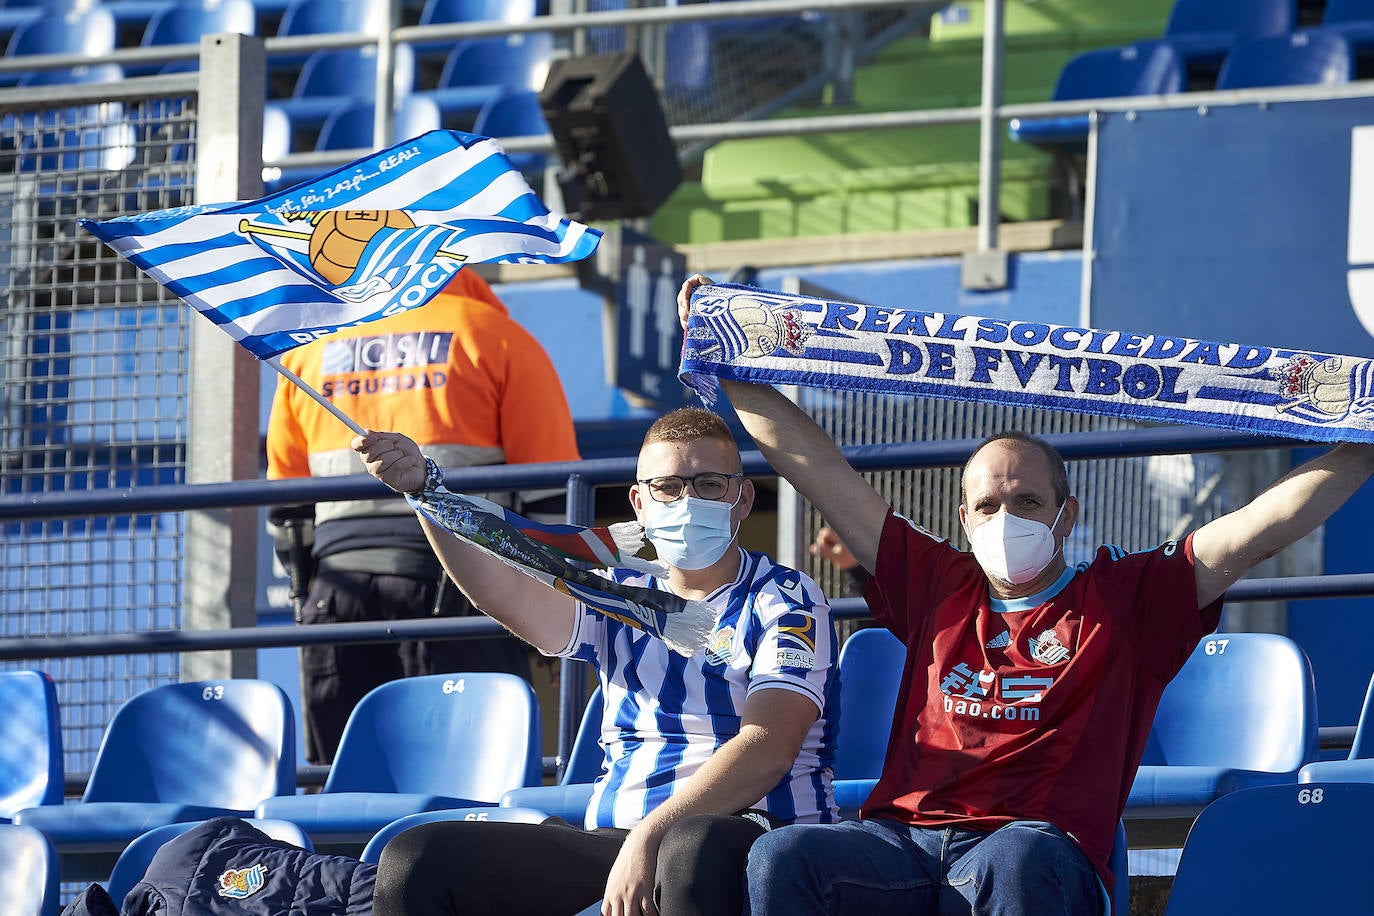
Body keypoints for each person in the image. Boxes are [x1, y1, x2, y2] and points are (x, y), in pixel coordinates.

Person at [678, 273, 1374, 916]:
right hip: (902, 849)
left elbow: (1261, 529)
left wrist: (1364, 444)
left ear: (1065, 517)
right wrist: (724, 340)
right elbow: (817, 468)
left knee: (1017, 858)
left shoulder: (1129, 598)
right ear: (964, 519)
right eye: (987, 504)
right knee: (782, 856)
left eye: (1027, 500)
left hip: (1034, 851)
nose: (1005, 517)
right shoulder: (934, 581)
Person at [352, 406, 840, 916]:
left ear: (742, 499)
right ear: (639, 503)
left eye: (710, 484)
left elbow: (769, 748)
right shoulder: (617, 594)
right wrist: (425, 495)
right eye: (668, 487)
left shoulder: (786, 597)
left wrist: (652, 834)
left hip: (748, 835)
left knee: (691, 849)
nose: (688, 501)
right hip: (620, 839)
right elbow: (505, 596)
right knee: (419, 858)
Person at [266, 268, 578, 766]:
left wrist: (307, 599)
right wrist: (552, 620)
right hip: (463, 588)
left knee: (348, 784)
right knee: (469, 782)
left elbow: (288, 507)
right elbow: (552, 497)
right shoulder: (497, 338)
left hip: (336, 595)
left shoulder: (309, 351)